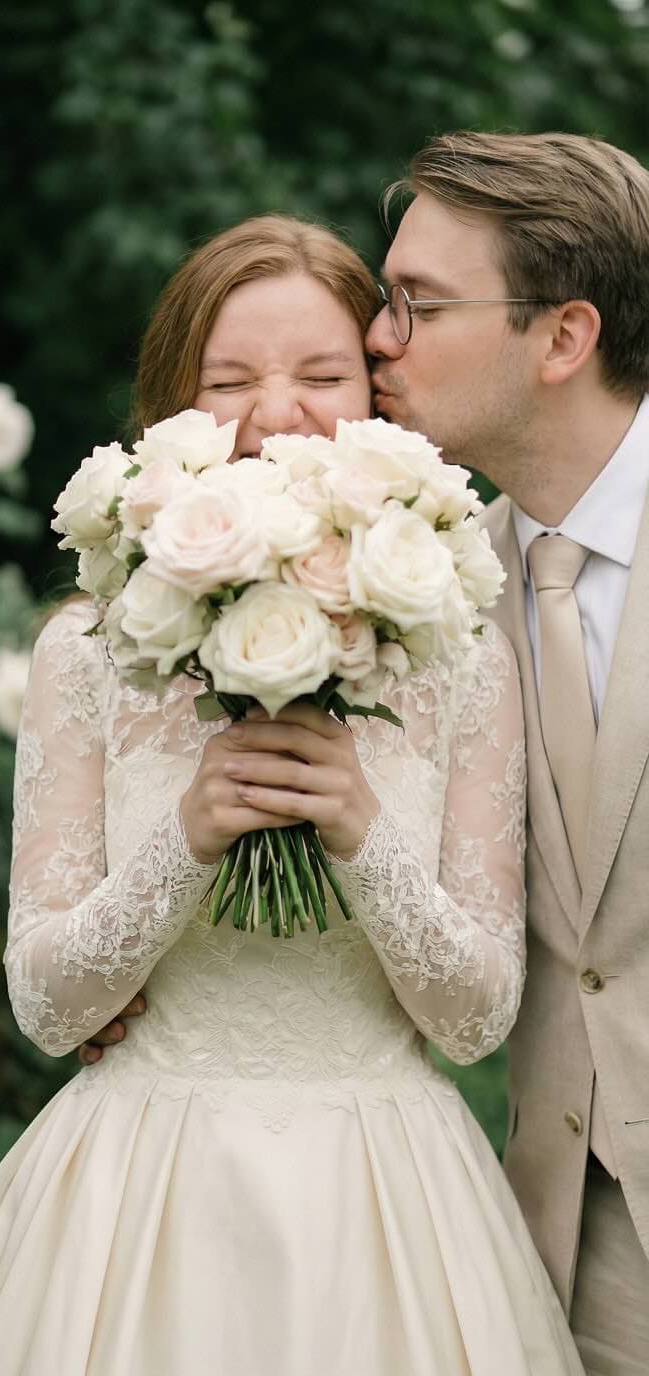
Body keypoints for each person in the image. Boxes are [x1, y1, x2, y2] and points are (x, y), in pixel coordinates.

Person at [0, 214, 583, 1375]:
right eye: (229, 377)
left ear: (376, 397)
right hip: (139, 1191)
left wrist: (361, 831)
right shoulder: (88, 648)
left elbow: (475, 1015)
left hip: (387, 1196)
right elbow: (49, 1004)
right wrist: (186, 839)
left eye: (322, 374)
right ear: (172, 403)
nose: (276, 409)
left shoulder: (464, 651)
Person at [365, 131, 649, 1375]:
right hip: (535, 1257)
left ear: (563, 338)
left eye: (418, 303)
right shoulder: (416, 588)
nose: (379, 335)